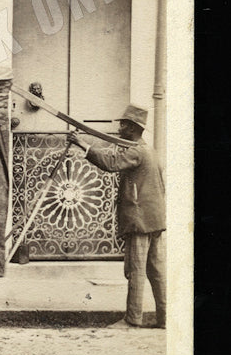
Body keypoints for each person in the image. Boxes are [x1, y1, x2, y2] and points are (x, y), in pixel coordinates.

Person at [67, 104, 166, 329]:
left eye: (123, 124)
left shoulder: (136, 151)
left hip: (140, 220)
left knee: (136, 270)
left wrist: (81, 143)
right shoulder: (148, 150)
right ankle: (165, 318)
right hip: (155, 219)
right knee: (157, 271)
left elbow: (110, 163)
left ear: (132, 128)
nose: (120, 127)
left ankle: (132, 320)